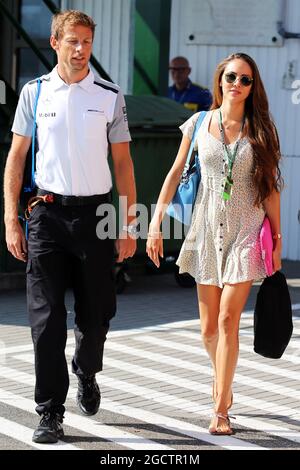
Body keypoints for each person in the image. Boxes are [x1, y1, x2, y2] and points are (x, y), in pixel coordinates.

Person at [4, 10, 137, 443]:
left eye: (87, 42)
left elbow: (122, 163)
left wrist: (129, 224)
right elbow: (17, 158)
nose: (81, 50)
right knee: (46, 319)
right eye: (73, 42)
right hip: (46, 214)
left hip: (97, 215)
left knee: (96, 313)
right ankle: (49, 410)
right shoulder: (34, 93)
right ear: (55, 42)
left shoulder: (110, 94)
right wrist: (11, 217)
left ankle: (86, 368)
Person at [147, 52, 282, 435]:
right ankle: (222, 378)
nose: (237, 85)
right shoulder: (199, 122)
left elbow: (270, 188)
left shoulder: (262, 129)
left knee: (227, 320)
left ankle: (220, 408)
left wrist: (276, 236)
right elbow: (174, 174)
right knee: (208, 330)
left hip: (246, 227)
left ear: (253, 88)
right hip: (206, 229)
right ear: (219, 80)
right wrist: (155, 223)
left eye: (245, 80)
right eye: (231, 77)